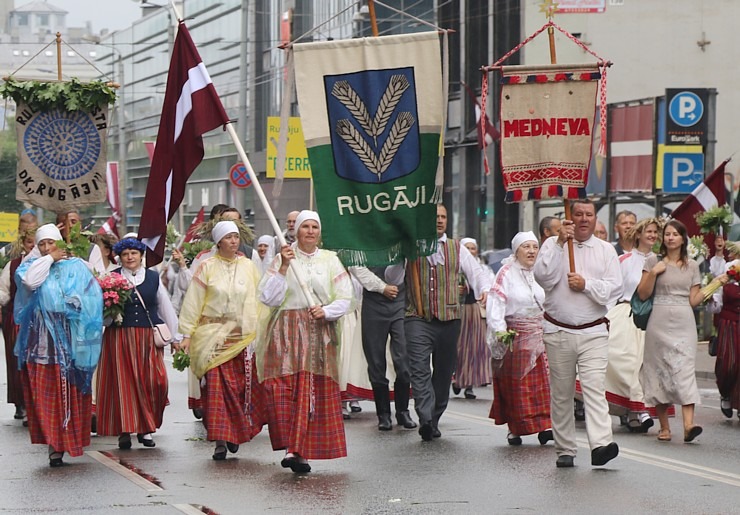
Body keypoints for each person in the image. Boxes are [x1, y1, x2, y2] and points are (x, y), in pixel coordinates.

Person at [257, 210, 353, 473]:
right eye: (305, 227)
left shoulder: (330, 260)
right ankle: (291, 445)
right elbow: (267, 297)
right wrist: (284, 267)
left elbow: (346, 297)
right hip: (285, 331)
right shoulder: (283, 258)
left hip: (319, 331)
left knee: (310, 390)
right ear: (296, 231)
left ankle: (298, 450)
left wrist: (326, 311)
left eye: (314, 227)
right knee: (284, 390)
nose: (310, 231)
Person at [533, 199, 623, 468]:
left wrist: (587, 285)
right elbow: (542, 278)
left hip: (593, 330)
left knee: (594, 388)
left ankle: (601, 444)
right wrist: (560, 243)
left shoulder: (606, 250)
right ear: (569, 217)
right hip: (558, 330)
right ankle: (565, 449)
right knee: (562, 392)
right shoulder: (552, 245)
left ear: (595, 219)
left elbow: (614, 288)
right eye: (578, 214)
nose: (584, 219)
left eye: (589, 214)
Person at [14, 224, 103, 467]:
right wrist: (48, 258)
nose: (45, 247)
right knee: (47, 392)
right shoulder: (30, 267)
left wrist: (75, 303)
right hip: (42, 342)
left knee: (72, 391)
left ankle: (71, 439)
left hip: (70, 337)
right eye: (41, 244)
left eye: (50, 243)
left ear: (60, 242)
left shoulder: (76, 266)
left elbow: (92, 295)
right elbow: (32, 283)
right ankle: (53, 444)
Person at [179, 221, 266, 460]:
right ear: (219, 242)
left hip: (243, 336)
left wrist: (262, 330)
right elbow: (194, 301)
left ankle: (235, 432)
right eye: (228, 237)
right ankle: (220, 439)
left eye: (236, 237)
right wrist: (187, 334)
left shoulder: (249, 266)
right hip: (213, 338)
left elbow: (259, 298)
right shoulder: (206, 267)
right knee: (216, 390)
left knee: (240, 389)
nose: (233, 241)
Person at [404, 205, 491, 441]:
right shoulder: (412, 247)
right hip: (417, 317)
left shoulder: (457, 248)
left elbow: (477, 273)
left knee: (443, 372)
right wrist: (400, 254)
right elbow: (392, 276)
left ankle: (434, 417)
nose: (440, 220)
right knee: (419, 369)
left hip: (450, 318)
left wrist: (483, 289)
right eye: (435, 217)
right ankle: (424, 417)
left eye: (443, 216)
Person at [95, 238, 180, 450]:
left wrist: (176, 337)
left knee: (154, 382)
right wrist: (110, 312)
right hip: (119, 338)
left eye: (134, 253)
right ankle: (126, 431)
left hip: (146, 338)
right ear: (120, 258)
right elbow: (101, 313)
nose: (130, 257)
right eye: (125, 254)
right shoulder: (111, 278)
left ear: (141, 255)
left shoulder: (152, 277)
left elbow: (165, 307)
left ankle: (146, 426)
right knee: (123, 386)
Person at [637, 220, 704, 443]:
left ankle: (688, 425)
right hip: (659, 321)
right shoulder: (652, 260)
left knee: (684, 369)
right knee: (659, 370)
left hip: (684, 322)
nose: (670, 237)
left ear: (683, 238)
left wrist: (716, 284)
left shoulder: (692, 265)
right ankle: (664, 427)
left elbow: (693, 300)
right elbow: (643, 294)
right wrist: (653, 273)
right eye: (667, 234)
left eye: (675, 234)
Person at [487, 231, 553, 446]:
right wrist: (499, 331)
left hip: (542, 334)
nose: (532, 251)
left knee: (545, 384)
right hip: (516, 338)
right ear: (516, 251)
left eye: (535, 247)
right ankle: (516, 427)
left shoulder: (542, 273)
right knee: (518, 386)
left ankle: (545, 425)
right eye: (526, 247)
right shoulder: (506, 273)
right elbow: (496, 302)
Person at [603, 218, 661, 432]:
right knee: (625, 361)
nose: (652, 235)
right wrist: (603, 317)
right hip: (627, 313)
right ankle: (633, 410)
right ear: (638, 234)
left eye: (656, 232)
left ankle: (640, 409)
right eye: (648, 231)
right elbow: (613, 291)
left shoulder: (660, 261)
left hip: (652, 316)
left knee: (646, 365)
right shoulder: (624, 260)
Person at [348, 264, 416, 431]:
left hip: (400, 301)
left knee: (403, 359)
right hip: (374, 303)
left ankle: (403, 411)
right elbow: (356, 266)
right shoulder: (365, 242)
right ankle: (383, 415)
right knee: (376, 361)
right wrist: (381, 287)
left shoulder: (402, 239)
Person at [0, 227, 36, 423]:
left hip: (39, 319)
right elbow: (3, 292)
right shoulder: (13, 265)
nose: (34, 247)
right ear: (24, 244)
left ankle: (35, 403)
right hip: (16, 319)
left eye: (36, 243)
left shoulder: (48, 265)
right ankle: (20, 402)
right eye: (30, 242)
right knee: (16, 362)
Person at [452, 237, 492, 400]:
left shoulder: (483, 270)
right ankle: (457, 378)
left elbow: (489, 286)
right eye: (466, 247)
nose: (470, 251)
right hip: (459, 311)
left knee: (475, 348)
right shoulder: (455, 267)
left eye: (473, 248)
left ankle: (469, 384)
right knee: (460, 347)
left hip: (475, 311)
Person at [710, 242, 739, 418]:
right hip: (729, 324)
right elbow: (717, 303)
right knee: (729, 363)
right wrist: (710, 299)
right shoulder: (727, 271)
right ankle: (725, 392)